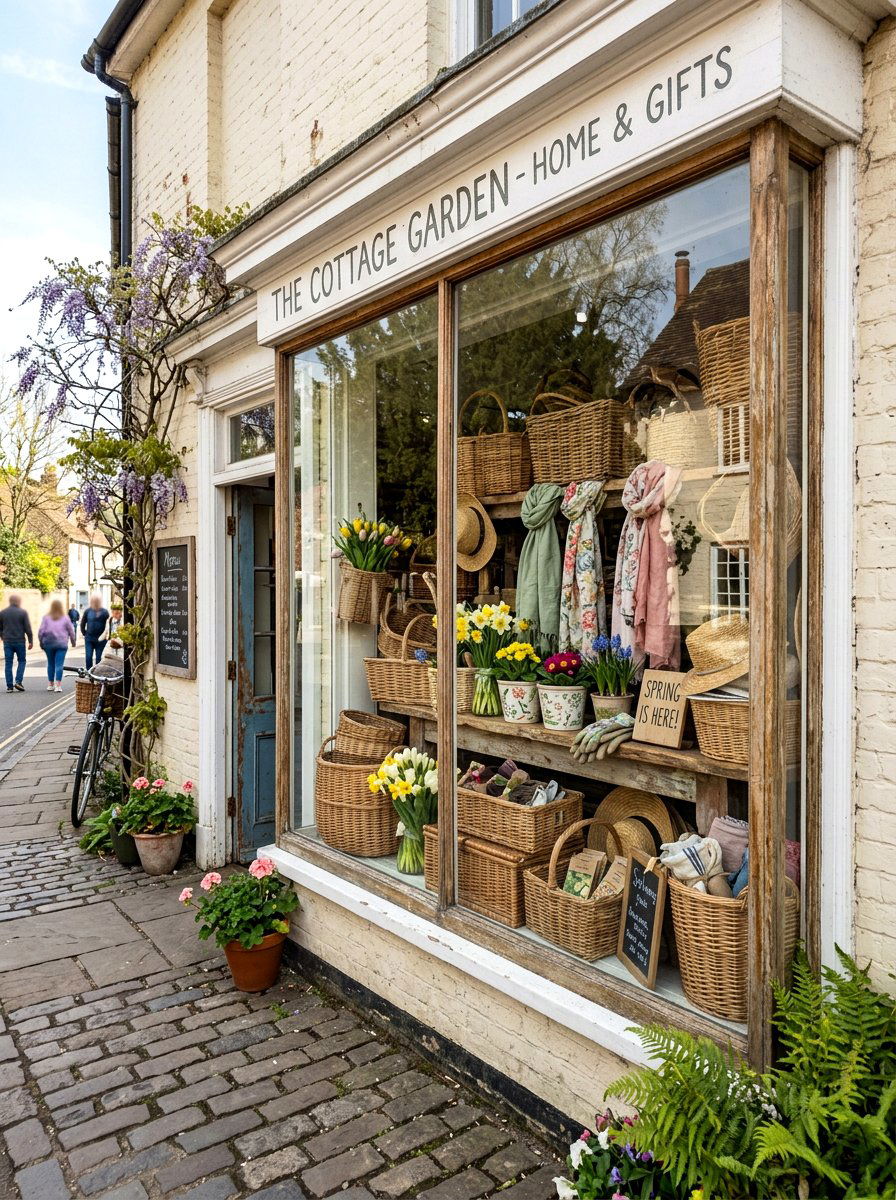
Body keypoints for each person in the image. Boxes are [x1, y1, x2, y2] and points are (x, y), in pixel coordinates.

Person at [38, 600, 76, 692]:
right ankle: (58, 685)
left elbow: (41, 631)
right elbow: (71, 631)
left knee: (50, 663)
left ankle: (50, 684)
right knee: (59, 664)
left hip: (48, 643)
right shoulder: (65, 618)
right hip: (61, 644)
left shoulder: (46, 618)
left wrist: (41, 642)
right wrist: (73, 642)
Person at [0, 594, 33, 693]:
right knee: (22, 661)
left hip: (8, 642)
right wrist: (30, 641)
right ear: (18, 601)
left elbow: (0, 628)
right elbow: (28, 628)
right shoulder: (22, 613)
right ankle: (18, 682)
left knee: (8, 663)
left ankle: (9, 686)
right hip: (20, 641)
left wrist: (3, 637)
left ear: (10, 601)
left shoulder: (2, 613)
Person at [80, 595, 110, 670]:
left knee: (99, 658)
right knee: (88, 656)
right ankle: (89, 672)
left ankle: (97, 673)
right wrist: (84, 633)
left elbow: (109, 624)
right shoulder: (88, 611)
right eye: (94, 600)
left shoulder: (105, 612)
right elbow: (83, 623)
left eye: (97, 600)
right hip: (89, 638)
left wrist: (107, 635)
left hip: (101, 639)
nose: (95, 602)